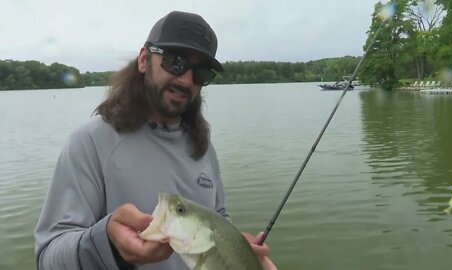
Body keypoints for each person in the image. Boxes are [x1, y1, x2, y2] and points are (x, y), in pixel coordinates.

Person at [34, 11, 276, 270]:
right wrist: (108, 244)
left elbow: (218, 221)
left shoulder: (203, 149)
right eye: (175, 62)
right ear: (143, 60)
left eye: (200, 73)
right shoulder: (90, 142)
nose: (185, 80)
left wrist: (237, 251)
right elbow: (49, 258)